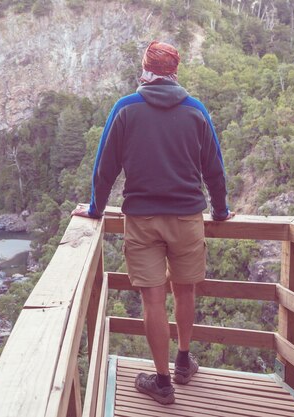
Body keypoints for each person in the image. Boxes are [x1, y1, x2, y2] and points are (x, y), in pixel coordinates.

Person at [72, 40, 235, 405]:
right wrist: (220, 212)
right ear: (176, 71)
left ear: (145, 69)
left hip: (142, 219)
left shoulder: (126, 108)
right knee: (186, 289)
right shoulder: (196, 110)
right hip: (188, 217)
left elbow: (105, 167)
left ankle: (162, 382)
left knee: (153, 301)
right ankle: (183, 360)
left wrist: (96, 208)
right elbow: (215, 169)